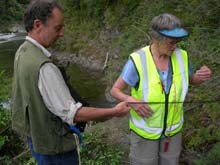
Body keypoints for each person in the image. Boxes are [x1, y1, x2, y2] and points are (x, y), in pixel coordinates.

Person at [11, 0, 130, 165]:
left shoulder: (22, 52)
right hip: (55, 150)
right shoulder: (44, 68)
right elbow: (74, 114)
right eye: (57, 28)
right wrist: (114, 111)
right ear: (38, 25)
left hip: (36, 139)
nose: (62, 33)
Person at [110, 13, 212, 165]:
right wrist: (130, 99)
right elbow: (115, 90)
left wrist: (201, 76)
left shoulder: (182, 56)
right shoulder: (138, 60)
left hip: (173, 131)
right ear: (156, 38)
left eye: (177, 41)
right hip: (145, 133)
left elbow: (192, 80)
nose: (175, 46)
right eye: (171, 42)